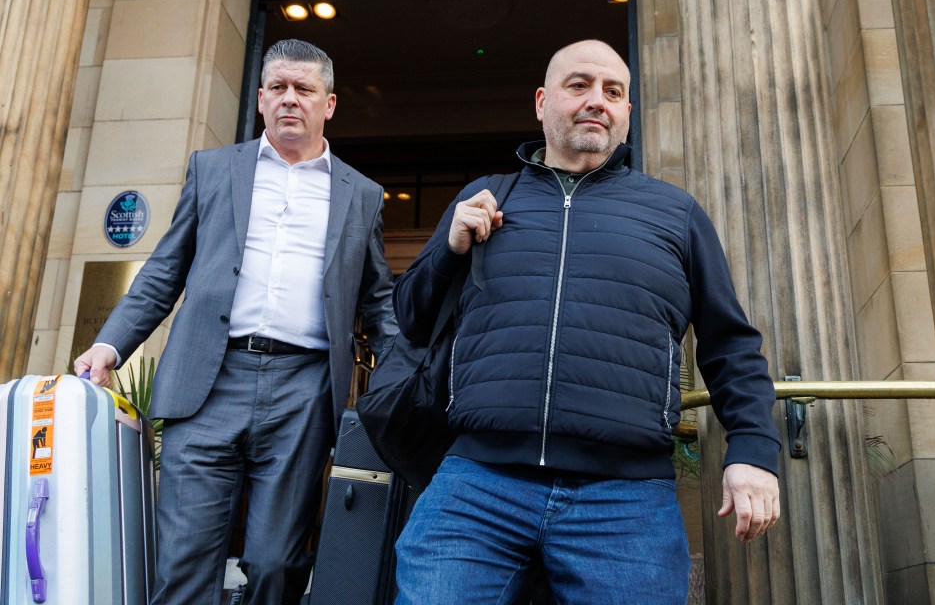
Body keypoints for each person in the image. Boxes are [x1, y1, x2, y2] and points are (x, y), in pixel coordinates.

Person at [391, 40, 781, 604]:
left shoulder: (675, 213)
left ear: (626, 113)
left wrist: (751, 453)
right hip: (478, 486)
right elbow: (410, 318)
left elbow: (730, 346)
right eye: (579, 86)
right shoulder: (486, 198)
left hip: (624, 501)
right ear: (543, 101)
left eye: (613, 92)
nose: (597, 100)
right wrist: (447, 251)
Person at [73, 39, 397, 605]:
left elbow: (379, 300)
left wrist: (406, 375)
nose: (289, 100)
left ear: (330, 103)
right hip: (207, 381)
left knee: (276, 564)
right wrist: (110, 345)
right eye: (278, 88)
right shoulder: (213, 169)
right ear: (261, 98)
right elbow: (163, 271)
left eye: (304, 89)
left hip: (302, 389)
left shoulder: (362, 195)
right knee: (184, 565)